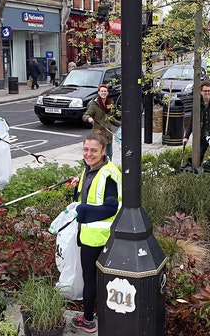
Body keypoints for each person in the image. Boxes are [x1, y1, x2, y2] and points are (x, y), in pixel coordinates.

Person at [71, 133, 122, 333]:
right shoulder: (91, 170)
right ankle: (107, 314)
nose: (89, 154)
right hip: (90, 234)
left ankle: (88, 320)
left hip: (98, 237)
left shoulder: (108, 174)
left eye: (93, 150)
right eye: (85, 149)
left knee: (91, 278)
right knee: (100, 278)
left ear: (103, 151)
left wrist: (84, 212)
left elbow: (110, 207)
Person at [183, 80, 210, 158]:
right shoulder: (197, 104)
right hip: (202, 136)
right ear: (201, 92)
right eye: (205, 91)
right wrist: (186, 137)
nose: (207, 93)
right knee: (199, 156)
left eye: (209, 91)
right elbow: (192, 121)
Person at [82, 85, 121, 159]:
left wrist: (121, 124)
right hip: (98, 134)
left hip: (108, 135)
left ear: (107, 93)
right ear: (99, 92)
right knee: (99, 157)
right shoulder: (94, 105)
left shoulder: (110, 103)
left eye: (105, 91)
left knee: (109, 156)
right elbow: (85, 115)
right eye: (102, 91)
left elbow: (111, 118)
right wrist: (89, 118)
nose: (103, 93)